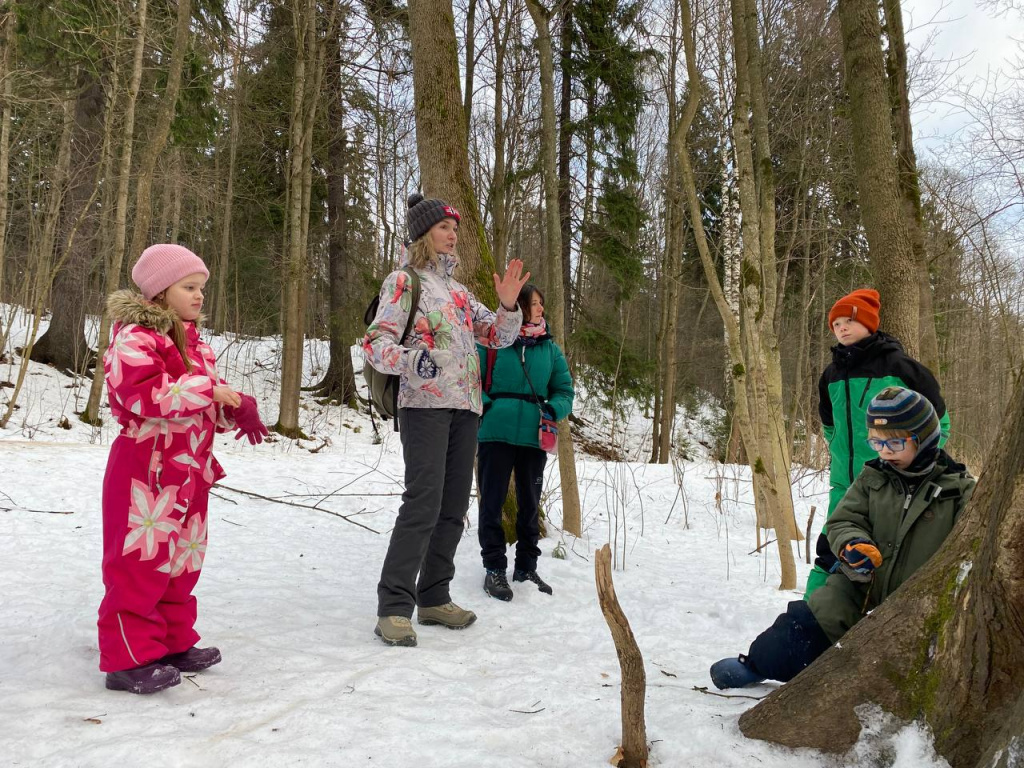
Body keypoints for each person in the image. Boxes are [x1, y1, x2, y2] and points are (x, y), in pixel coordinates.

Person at [710, 387, 975, 689]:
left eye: (895, 443)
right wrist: (852, 544)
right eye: (877, 442)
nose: (885, 451)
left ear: (924, 440)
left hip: (920, 598)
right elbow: (843, 520)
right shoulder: (872, 478)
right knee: (804, 624)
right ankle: (759, 663)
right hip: (861, 584)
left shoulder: (959, 491)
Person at [99, 244, 268, 694]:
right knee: (139, 562)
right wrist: (208, 391)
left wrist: (237, 408)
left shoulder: (196, 343)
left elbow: (204, 398)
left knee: (181, 561)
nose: (198, 296)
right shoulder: (134, 337)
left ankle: (172, 642)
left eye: (201, 288)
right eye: (189, 287)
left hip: (191, 470)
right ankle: (128, 658)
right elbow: (143, 394)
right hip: (145, 469)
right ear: (159, 291)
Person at [362, 193, 528, 647]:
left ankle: (434, 596)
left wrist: (509, 306)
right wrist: (418, 361)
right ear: (423, 234)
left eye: (455, 229)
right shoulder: (403, 281)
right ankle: (393, 607)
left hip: (466, 406)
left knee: (453, 508)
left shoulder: (458, 292)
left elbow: (497, 337)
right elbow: (375, 343)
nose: (453, 235)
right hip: (423, 407)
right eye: (444, 228)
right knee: (423, 503)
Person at [805, 288, 951, 598]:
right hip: (844, 486)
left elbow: (939, 422)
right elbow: (828, 425)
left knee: (891, 562)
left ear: (869, 323)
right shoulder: (831, 374)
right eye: (836, 324)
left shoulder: (901, 368)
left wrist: (918, 464)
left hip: (891, 486)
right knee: (830, 556)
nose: (841, 328)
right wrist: (839, 456)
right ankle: (814, 622)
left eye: (848, 321)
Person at [476, 283, 574, 601]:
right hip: (495, 433)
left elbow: (564, 390)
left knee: (530, 505)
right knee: (491, 503)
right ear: (518, 306)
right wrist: (488, 406)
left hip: (534, 436)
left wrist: (550, 410)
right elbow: (470, 378)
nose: (540, 308)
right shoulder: (493, 341)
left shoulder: (550, 349)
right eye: (534, 303)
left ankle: (526, 568)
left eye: (541, 303)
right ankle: (494, 569)